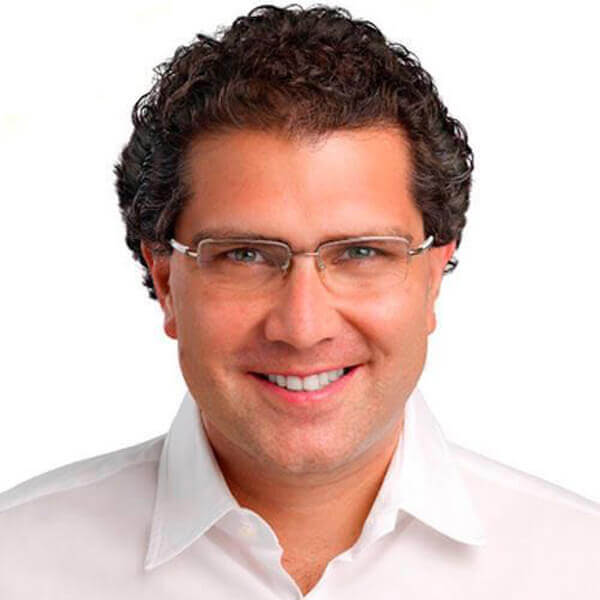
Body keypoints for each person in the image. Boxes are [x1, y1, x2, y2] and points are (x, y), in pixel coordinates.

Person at [1, 4, 598, 598]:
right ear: (165, 282)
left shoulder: (578, 566)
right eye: (245, 255)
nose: (303, 326)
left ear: (433, 278)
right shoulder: (17, 561)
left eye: (361, 252)